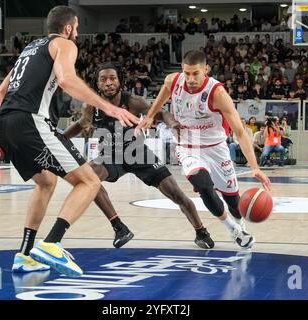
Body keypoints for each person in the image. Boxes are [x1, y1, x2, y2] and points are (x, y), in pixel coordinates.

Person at [0, 6, 138, 277]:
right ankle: (51, 243)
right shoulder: (64, 44)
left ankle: (25, 255)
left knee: (46, 182)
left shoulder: (29, 49)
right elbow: (66, 79)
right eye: (78, 27)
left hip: (3, 122)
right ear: (68, 28)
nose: (78, 33)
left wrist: (13, 123)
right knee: (90, 181)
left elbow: (1, 90)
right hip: (30, 121)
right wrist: (109, 108)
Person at [63, 63, 215, 249]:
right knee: (88, 179)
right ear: (97, 84)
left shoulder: (133, 101)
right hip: (111, 156)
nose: (108, 83)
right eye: (103, 80)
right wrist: (61, 138)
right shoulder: (91, 107)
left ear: (120, 81)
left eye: (112, 78)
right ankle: (119, 227)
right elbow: (80, 124)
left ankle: (201, 231)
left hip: (138, 153)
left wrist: (172, 123)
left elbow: (160, 112)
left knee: (176, 194)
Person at [138, 50, 271, 249]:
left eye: (195, 74)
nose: (190, 79)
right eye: (187, 73)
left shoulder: (217, 93)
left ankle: (240, 224)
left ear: (206, 70)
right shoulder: (172, 81)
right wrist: (149, 116)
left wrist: (255, 167)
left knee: (234, 202)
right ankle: (233, 230)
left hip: (216, 148)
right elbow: (160, 99)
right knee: (203, 186)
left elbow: (240, 133)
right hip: (188, 147)